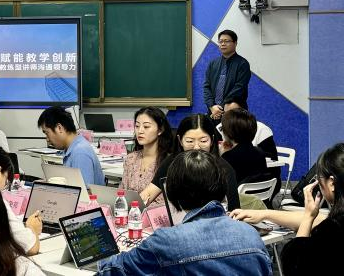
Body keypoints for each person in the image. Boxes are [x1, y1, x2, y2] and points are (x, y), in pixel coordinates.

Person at [97, 150, 272, 275]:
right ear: (222, 188)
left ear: (172, 192)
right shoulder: (250, 235)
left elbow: (113, 269)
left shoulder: (166, 241)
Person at [231, 143, 344, 276]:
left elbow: (295, 265)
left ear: (331, 183)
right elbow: (320, 220)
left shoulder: (331, 232)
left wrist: (308, 217)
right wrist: (264, 214)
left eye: (319, 180)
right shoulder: (335, 222)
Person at [140, 113, 240, 210]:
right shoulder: (172, 162)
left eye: (203, 141)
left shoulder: (224, 169)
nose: (196, 147)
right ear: (180, 140)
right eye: (190, 141)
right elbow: (147, 195)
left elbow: (233, 210)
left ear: (212, 140)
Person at [38, 106, 105, 186]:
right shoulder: (71, 148)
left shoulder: (80, 153)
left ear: (59, 128)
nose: (47, 139)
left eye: (47, 133)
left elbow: (83, 191)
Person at [120, 107, 173, 205]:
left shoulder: (169, 162)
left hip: (158, 213)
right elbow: (122, 193)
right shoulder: (130, 159)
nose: (140, 131)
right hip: (131, 211)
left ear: (160, 130)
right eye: (137, 126)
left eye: (146, 127)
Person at [203, 29, 251, 121]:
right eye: (220, 41)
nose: (223, 44)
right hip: (213, 111)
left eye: (226, 41)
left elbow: (239, 88)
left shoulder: (243, 64)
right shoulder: (213, 63)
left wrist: (220, 107)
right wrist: (212, 106)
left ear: (235, 43)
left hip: (233, 111)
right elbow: (206, 87)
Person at [220, 109, 268, 184]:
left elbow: (220, 184)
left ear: (229, 132)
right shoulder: (260, 153)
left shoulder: (228, 157)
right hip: (259, 191)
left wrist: (222, 155)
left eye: (222, 129)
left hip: (235, 191)